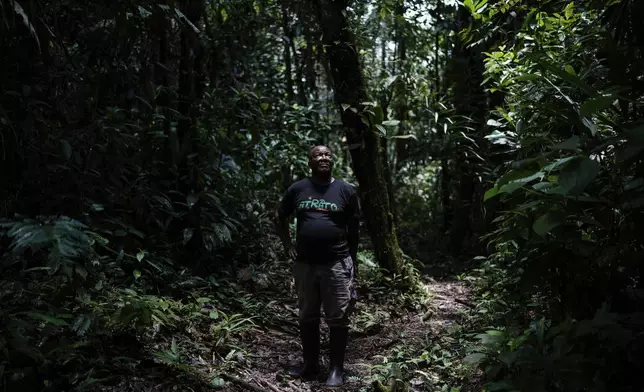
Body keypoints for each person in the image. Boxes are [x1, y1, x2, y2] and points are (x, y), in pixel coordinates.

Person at [274, 145, 360, 387]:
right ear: (309, 162)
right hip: (305, 264)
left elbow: (354, 230)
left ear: (333, 160)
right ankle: (310, 366)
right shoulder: (298, 189)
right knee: (307, 315)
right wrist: (287, 244)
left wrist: (352, 261)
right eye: (318, 155)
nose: (323, 158)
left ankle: (336, 370)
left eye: (327, 155)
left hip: (336, 263)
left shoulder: (345, 190)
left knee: (338, 317)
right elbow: (280, 216)